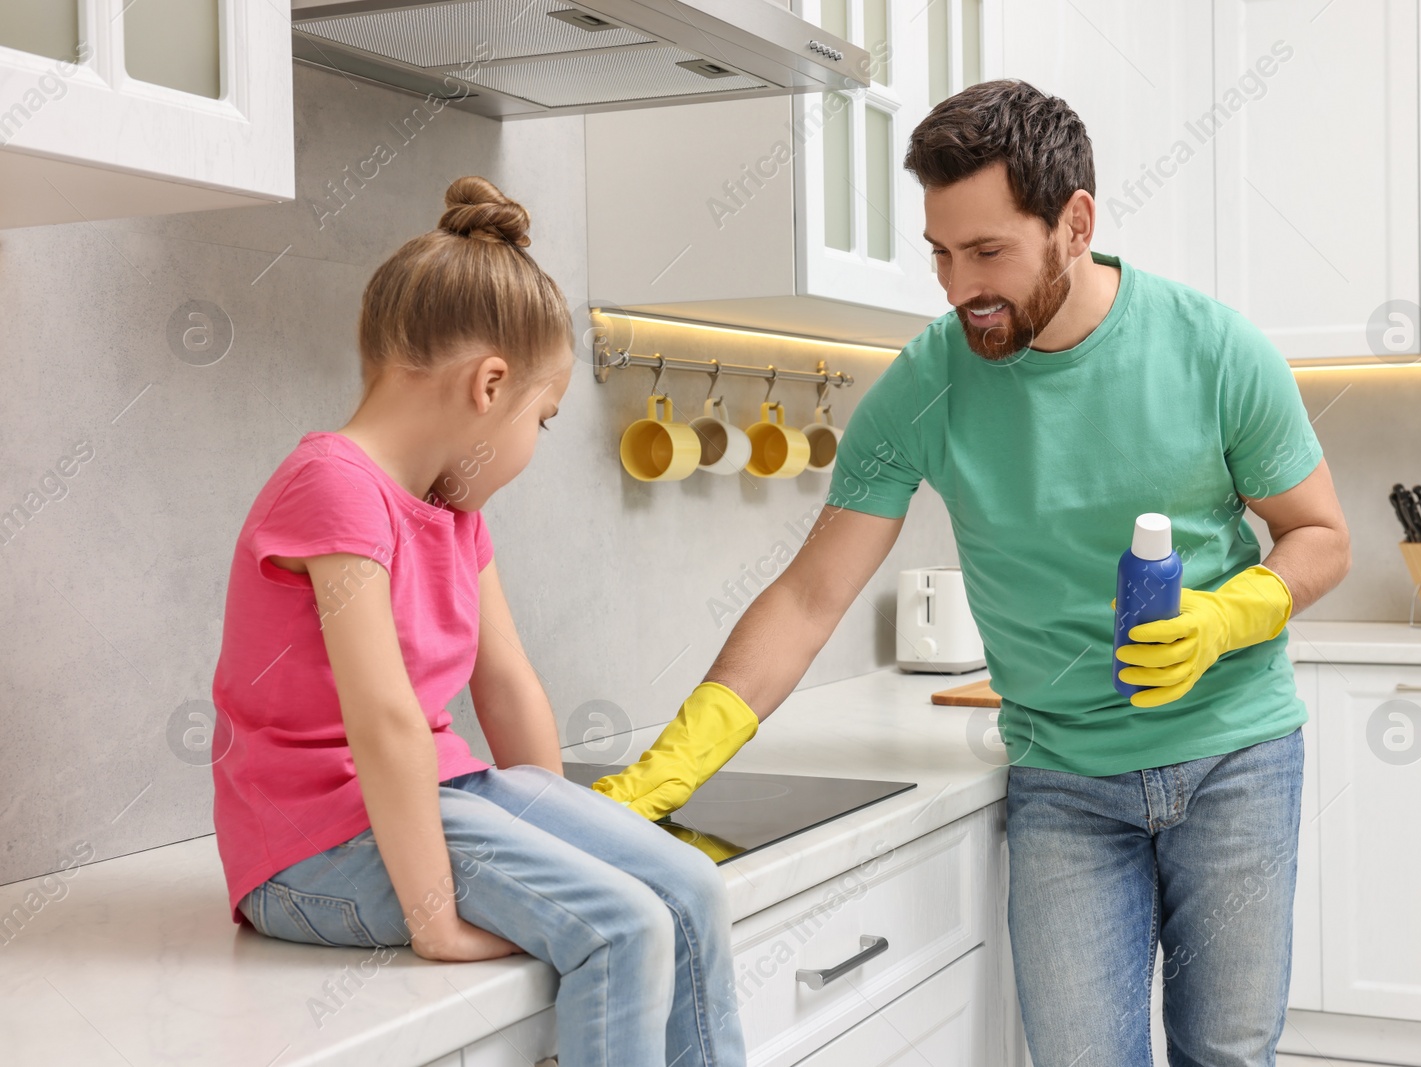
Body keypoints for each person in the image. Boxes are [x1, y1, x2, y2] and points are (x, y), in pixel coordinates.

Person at [593, 81, 1351, 1067]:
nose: (959, 288)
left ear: (1073, 223)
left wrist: (1226, 615)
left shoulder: (1215, 351)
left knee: (1228, 1052)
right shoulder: (925, 384)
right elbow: (809, 595)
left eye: (987, 250)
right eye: (941, 254)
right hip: (1067, 781)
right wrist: (676, 759)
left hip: (1236, 757)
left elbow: (1320, 535)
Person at [210, 176, 746, 1067]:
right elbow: (384, 725)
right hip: (314, 849)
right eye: (543, 416)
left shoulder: (453, 513)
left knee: (691, 887)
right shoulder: (334, 485)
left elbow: (505, 683)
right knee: (622, 928)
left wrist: (552, 818)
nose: (535, 442)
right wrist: (434, 921)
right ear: (489, 385)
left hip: (437, 799)